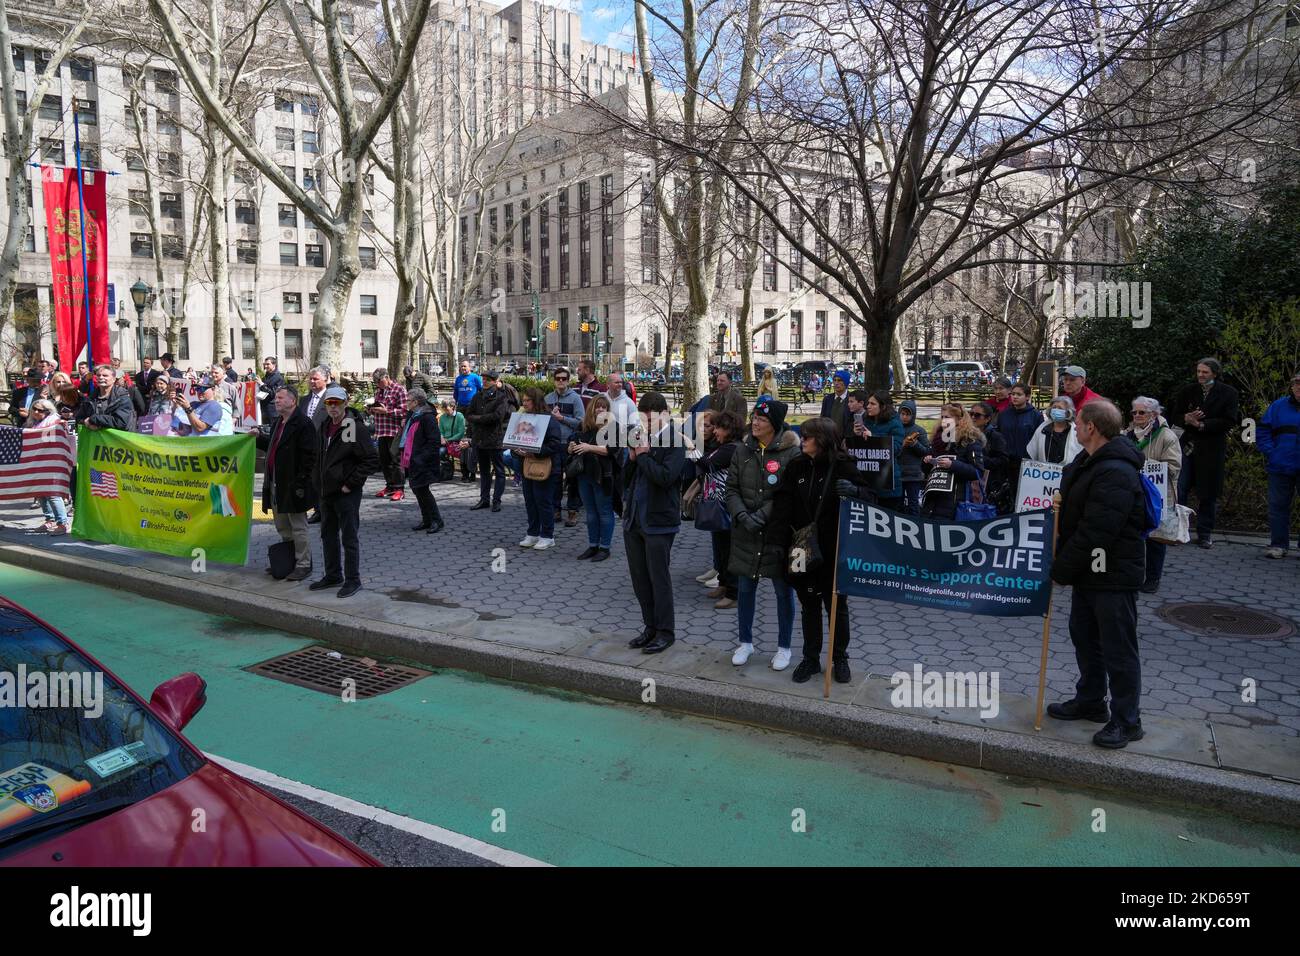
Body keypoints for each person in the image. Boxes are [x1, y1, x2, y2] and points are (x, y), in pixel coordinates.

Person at [1048, 400, 1148, 750]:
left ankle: (1127, 720)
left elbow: (1097, 530)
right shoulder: (1090, 461)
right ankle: (1091, 700)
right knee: (1085, 635)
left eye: (1078, 421)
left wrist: (1061, 569)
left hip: (1112, 572)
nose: (1074, 425)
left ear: (1092, 427)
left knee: (1118, 647)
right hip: (1091, 570)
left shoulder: (1116, 471)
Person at [773, 416, 872, 684]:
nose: (802, 440)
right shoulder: (796, 466)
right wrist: (778, 544)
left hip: (835, 549)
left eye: (808, 436)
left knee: (837, 606)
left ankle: (839, 658)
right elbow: (782, 505)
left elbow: (872, 499)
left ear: (823, 439)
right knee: (809, 605)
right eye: (802, 435)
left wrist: (855, 492)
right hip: (800, 549)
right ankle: (810, 658)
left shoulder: (843, 466)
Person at [726, 396, 800, 670]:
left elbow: (786, 493)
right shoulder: (742, 449)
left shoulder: (791, 452)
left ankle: (784, 647)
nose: (755, 422)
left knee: (783, 591)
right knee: (746, 588)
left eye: (762, 419)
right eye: (754, 417)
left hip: (776, 534)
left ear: (775, 425)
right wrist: (742, 515)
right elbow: (731, 487)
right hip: (746, 531)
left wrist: (761, 516)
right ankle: (745, 642)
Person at [623, 391, 686, 655]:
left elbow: (665, 477)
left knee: (658, 578)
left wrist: (645, 456)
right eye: (643, 419)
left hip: (660, 521)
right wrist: (632, 459)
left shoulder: (675, 441)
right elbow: (626, 479)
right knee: (640, 579)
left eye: (650, 420)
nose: (646, 424)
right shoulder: (640, 439)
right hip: (635, 518)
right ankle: (649, 626)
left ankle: (665, 631)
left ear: (664, 416)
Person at [311, 384, 379, 598]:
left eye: (337, 403)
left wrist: (350, 484)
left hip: (345, 492)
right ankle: (333, 575)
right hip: (326, 491)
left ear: (345, 403)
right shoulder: (325, 425)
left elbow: (370, 460)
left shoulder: (351, 426)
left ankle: (353, 579)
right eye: (329, 403)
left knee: (348, 537)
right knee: (327, 535)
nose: (333, 407)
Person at [1169, 358, 1240, 549]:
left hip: (1211, 449)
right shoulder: (1188, 391)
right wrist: (1186, 418)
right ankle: (1178, 531)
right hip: (1187, 447)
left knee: (1208, 493)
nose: (1200, 375)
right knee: (1180, 489)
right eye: (1199, 371)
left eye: (1205, 372)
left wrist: (1202, 424)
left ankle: (1205, 533)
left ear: (1215, 374)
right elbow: (1174, 415)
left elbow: (1230, 420)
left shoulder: (1229, 393)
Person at [257, 387, 317, 580]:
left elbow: (309, 457)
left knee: (298, 526)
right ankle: (290, 560)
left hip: (293, 485)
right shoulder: (278, 422)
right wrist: (258, 438)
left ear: (293, 401)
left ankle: (304, 564)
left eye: (281, 398)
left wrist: (300, 483)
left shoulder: (303, 424)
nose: (276, 401)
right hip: (276, 483)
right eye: (276, 398)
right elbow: (273, 447)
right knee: (282, 526)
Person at [1124, 396, 1181, 593]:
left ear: (1155, 414)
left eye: (1142, 412)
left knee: (1155, 538)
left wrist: (1150, 468)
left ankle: (1153, 578)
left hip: (1157, 494)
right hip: (1133, 492)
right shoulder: (1128, 434)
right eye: (1134, 412)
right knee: (1134, 536)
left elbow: (1174, 467)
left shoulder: (1166, 436)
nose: (1137, 416)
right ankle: (1135, 574)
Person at [699, 410, 742, 609]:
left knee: (730, 549)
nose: (714, 431)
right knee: (721, 547)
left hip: (727, 506)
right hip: (718, 503)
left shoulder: (732, 448)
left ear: (729, 429)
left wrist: (693, 449)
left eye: (718, 427)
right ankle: (723, 583)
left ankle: (733, 592)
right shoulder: (722, 446)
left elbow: (708, 463)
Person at [569, 394, 620, 561]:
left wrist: (589, 447)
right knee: (590, 513)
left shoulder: (613, 427)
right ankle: (592, 546)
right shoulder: (584, 426)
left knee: (604, 511)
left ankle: (604, 548)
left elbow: (610, 450)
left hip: (603, 475)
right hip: (584, 474)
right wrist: (571, 447)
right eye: (597, 406)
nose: (600, 409)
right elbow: (573, 443)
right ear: (592, 408)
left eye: (604, 407)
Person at [517, 387, 565, 550]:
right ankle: (533, 533)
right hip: (528, 464)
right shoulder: (524, 418)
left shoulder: (548, 419)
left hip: (546, 466)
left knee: (543, 501)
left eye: (527, 400)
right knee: (530, 500)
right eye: (523, 400)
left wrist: (535, 451)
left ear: (536, 401)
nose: (524, 403)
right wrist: (516, 449)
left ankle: (547, 535)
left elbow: (555, 444)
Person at [1258, 371, 1300, 558]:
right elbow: (1263, 430)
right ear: (1292, 386)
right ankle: (1278, 545)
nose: (1299, 387)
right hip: (1280, 465)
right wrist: (1271, 452)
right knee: (1278, 506)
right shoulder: (1278, 406)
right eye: (1297, 384)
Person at [921, 405, 985, 519]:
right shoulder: (938, 439)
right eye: (942, 417)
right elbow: (926, 470)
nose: (944, 420)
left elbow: (977, 472)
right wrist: (927, 461)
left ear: (959, 419)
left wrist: (953, 465)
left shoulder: (969, 440)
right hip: (933, 497)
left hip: (956, 499)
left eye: (948, 417)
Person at [848, 389, 904, 511]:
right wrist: (857, 435)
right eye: (868, 403)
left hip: (888, 485)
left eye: (872, 404)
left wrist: (874, 438)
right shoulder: (866, 421)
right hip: (868, 483)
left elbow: (896, 449)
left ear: (883, 406)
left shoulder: (895, 423)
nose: (868, 406)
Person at [399, 387, 445, 534]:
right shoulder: (414, 414)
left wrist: (420, 458)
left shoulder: (427, 417)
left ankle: (437, 521)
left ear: (416, 402)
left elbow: (434, 441)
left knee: (423, 490)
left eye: (408, 400)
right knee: (417, 489)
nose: (406, 403)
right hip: (413, 459)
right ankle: (426, 519)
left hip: (423, 461)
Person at [545, 367, 586, 527]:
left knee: (572, 478)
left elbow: (581, 421)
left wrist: (562, 418)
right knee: (554, 478)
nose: (561, 381)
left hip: (569, 443)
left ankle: (572, 511)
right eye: (558, 379)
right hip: (553, 444)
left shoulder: (575, 398)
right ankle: (556, 509)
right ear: (554, 380)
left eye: (564, 379)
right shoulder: (548, 398)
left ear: (568, 381)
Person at [466, 369, 511, 511]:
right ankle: (484, 499)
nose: (484, 381)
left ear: (495, 381)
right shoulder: (477, 397)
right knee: (484, 471)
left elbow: (498, 416)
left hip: (495, 439)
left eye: (488, 379)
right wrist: (481, 419)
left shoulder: (501, 397)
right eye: (483, 379)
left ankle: (496, 500)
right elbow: (469, 414)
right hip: (480, 439)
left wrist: (479, 419)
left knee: (499, 471)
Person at [27, 400, 72, 535]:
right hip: (38, 462)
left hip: (52, 462)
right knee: (40, 492)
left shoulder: (55, 421)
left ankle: (63, 523)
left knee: (53, 493)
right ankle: (49, 519)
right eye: (34, 409)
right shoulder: (33, 423)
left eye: (40, 410)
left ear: (48, 410)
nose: (36, 412)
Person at [367, 367, 408, 501]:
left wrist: (386, 411)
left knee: (396, 460)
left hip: (394, 430)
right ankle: (390, 486)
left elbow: (404, 411)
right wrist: (372, 410)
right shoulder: (379, 390)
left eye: (379, 381)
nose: (377, 384)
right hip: (381, 430)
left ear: (386, 377)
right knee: (384, 461)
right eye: (376, 382)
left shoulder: (399, 389)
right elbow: (379, 408)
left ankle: (399, 488)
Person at [969, 400, 1012, 513]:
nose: (973, 417)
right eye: (971, 414)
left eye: (977, 415)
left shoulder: (996, 437)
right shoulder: (965, 434)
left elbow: (1003, 460)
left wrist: (980, 460)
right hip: (970, 481)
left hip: (989, 484)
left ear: (987, 419)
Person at [995, 383, 1043, 477]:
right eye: (1013, 394)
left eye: (1019, 394)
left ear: (1027, 397)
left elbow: (1039, 439)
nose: (1015, 397)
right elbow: (999, 435)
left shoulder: (1036, 416)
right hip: (1005, 461)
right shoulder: (1003, 415)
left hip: (1026, 462)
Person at [75, 364, 137, 432]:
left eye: (105, 375)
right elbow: (78, 419)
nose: (101, 377)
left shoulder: (122, 398)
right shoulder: (91, 399)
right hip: (96, 441)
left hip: (118, 441)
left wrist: (94, 419)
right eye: (98, 375)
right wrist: (86, 423)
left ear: (113, 379)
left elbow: (120, 422)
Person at [1025, 396, 1084, 465]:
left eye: (1060, 408)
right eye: (1054, 407)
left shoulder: (1075, 431)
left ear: (1068, 412)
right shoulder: (1042, 428)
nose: (1056, 410)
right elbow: (1032, 451)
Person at [897, 399, 931, 516]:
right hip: (898, 473)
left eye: (908, 414)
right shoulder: (896, 429)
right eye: (903, 414)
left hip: (914, 475)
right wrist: (903, 444)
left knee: (913, 504)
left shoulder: (919, 431)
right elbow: (891, 450)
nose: (905, 417)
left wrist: (914, 444)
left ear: (913, 415)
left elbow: (926, 451)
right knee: (898, 505)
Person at [455, 360, 484, 482]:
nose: (463, 368)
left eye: (465, 366)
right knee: (463, 433)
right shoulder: (458, 379)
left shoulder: (475, 377)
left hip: (473, 407)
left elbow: (481, 390)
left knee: (472, 434)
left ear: (470, 368)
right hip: (461, 406)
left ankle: (472, 471)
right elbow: (455, 393)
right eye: (461, 366)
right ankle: (464, 472)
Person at [438, 398, 468, 478]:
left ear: (452, 407)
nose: (445, 411)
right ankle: (444, 471)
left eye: (446, 408)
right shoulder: (442, 417)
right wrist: (442, 438)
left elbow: (460, 433)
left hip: (455, 442)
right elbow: (440, 431)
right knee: (434, 451)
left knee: (440, 452)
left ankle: (447, 469)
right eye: (443, 409)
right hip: (444, 442)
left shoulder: (459, 416)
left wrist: (448, 440)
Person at [819, 369, 854, 437]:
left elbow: (852, 422)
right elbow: (823, 419)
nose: (836, 383)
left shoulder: (852, 399)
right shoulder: (827, 399)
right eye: (834, 380)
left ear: (846, 382)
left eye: (839, 380)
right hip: (829, 438)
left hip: (845, 438)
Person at [259, 357, 286, 425]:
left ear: (274, 365)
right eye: (264, 364)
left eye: (268, 364)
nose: (265, 366)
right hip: (263, 409)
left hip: (273, 411)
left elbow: (274, 394)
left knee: (272, 432)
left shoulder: (279, 378)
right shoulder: (265, 377)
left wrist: (262, 384)